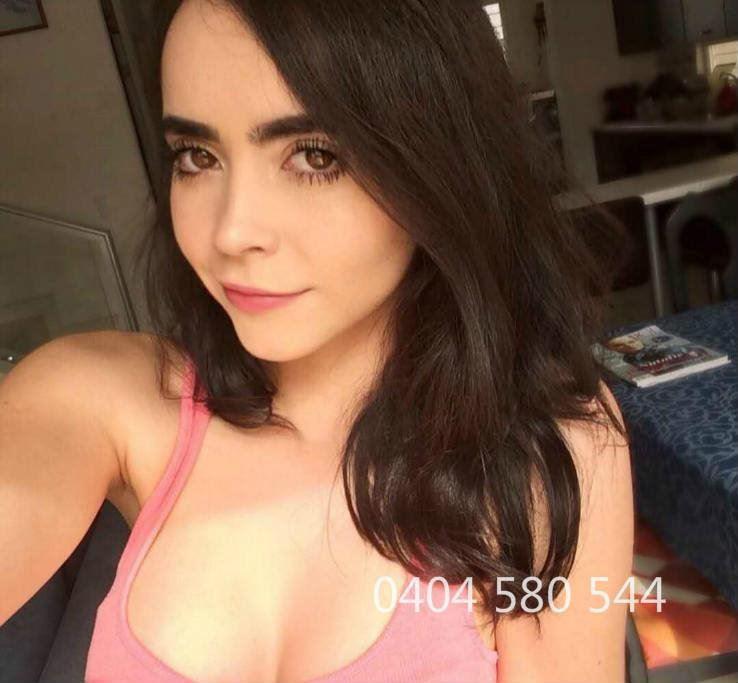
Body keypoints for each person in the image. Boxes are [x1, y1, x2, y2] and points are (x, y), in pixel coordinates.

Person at [0, 0, 635, 681]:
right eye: (197, 156)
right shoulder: (107, 399)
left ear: (441, 163)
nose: (232, 231)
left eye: (315, 155)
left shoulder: (543, 445)